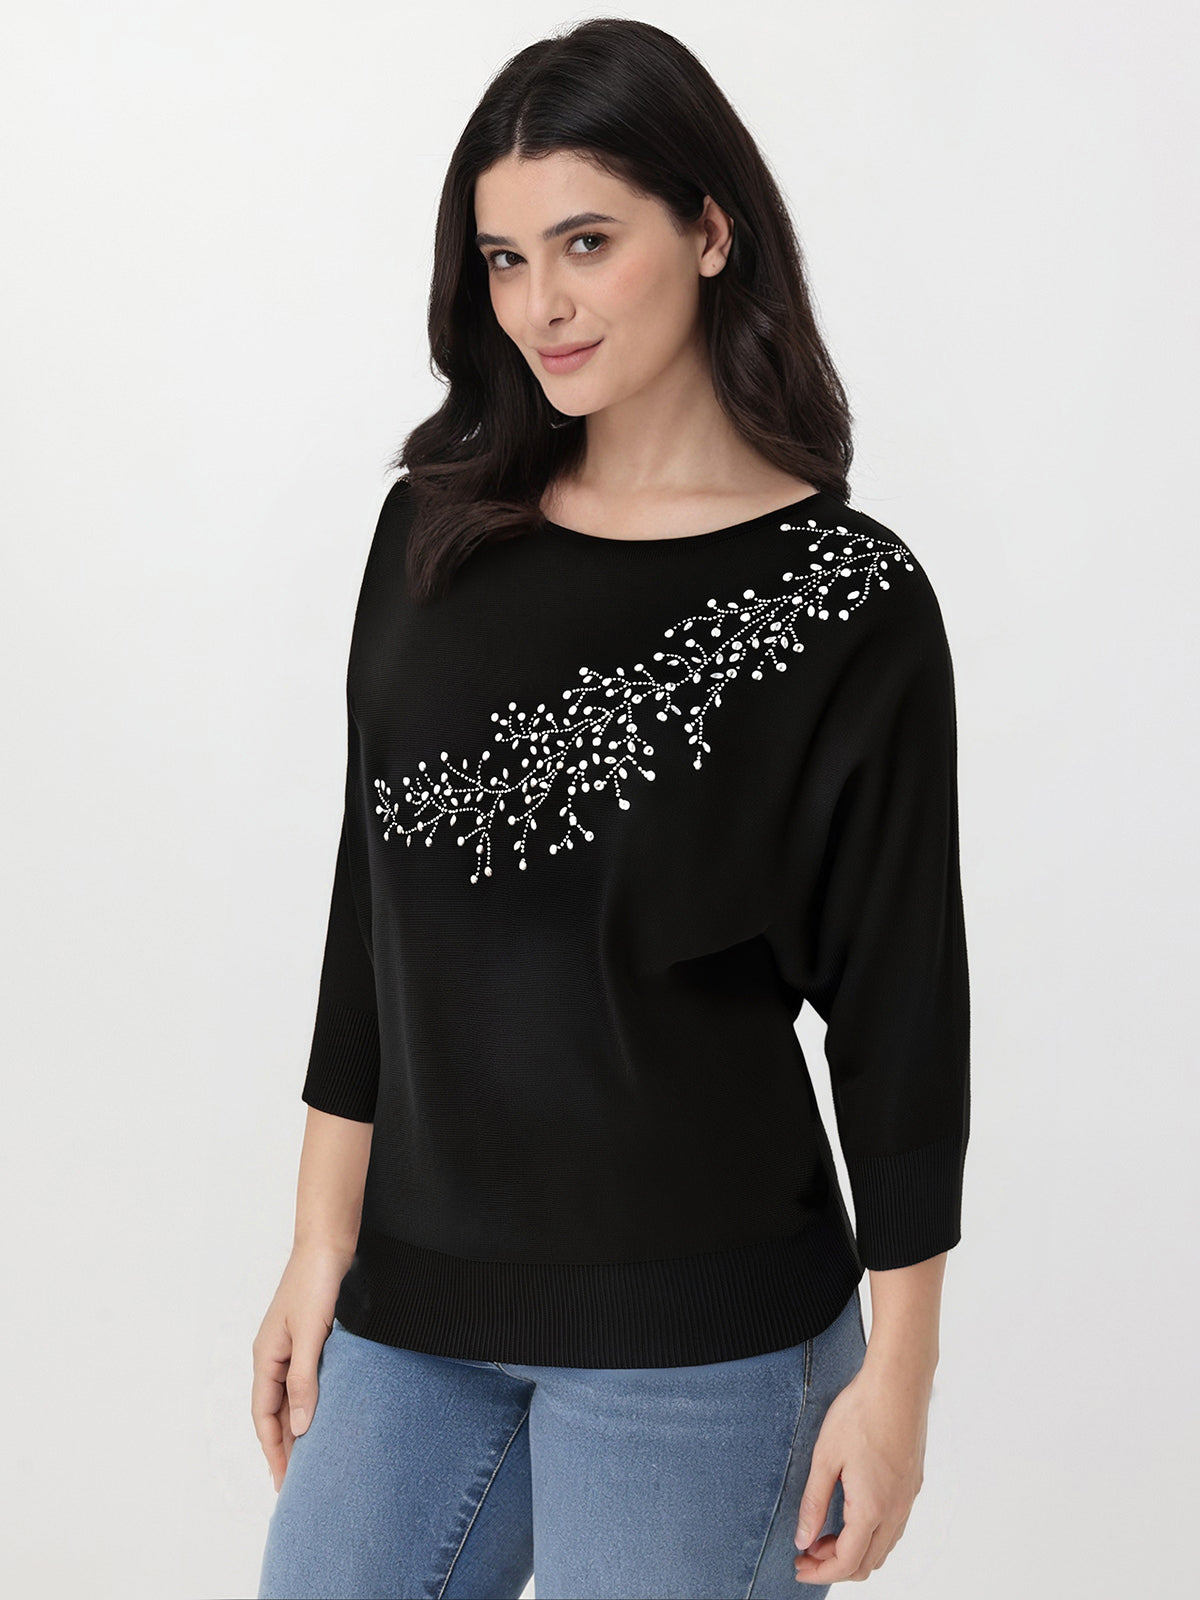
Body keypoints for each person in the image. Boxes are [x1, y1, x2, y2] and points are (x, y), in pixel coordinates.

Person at [251, 17, 970, 1600]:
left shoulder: (843, 600)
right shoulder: (434, 540)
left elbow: (903, 1019)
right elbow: (376, 906)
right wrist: (320, 1242)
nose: (542, 305)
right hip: (418, 1309)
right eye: (506, 260)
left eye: (588, 243)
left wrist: (901, 1376)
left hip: (704, 1340)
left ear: (711, 230)